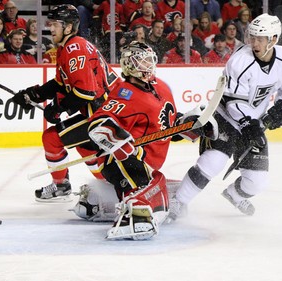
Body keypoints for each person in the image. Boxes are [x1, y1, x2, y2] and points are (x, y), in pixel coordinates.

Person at [169, 13, 282, 220]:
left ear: (273, 39)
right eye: (252, 37)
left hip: (254, 123)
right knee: (213, 161)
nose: (254, 42)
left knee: (256, 182)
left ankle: (233, 194)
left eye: (260, 38)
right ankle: (179, 201)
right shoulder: (240, 60)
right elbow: (233, 102)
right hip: (225, 118)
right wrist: (248, 124)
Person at [11, 4, 121, 202]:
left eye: (55, 24)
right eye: (50, 24)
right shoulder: (68, 47)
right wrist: (33, 94)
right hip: (104, 112)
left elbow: (85, 92)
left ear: (68, 27)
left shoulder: (74, 48)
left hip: (105, 115)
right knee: (85, 148)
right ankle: (110, 188)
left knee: (52, 139)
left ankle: (62, 187)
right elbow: (61, 83)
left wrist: (59, 108)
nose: (50, 28)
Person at [86, 41, 178, 240]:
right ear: (129, 65)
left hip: (148, 162)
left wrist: (192, 125)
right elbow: (99, 123)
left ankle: (99, 199)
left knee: (143, 175)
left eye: (149, 60)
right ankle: (134, 211)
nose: (148, 65)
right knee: (131, 167)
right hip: (120, 159)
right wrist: (117, 139)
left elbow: (168, 124)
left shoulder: (161, 87)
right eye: (141, 61)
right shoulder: (124, 93)